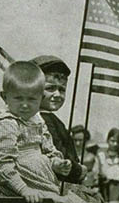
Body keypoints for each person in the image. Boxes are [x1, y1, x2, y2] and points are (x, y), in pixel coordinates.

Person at [0, 61, 110, 203]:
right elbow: (2, 164)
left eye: (32, 100)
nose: (25, 105)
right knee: (68, 202)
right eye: (18, 98)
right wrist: (24, 189)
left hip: (42, 177)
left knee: (79, 202)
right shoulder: (5, 123)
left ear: (39, 98)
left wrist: (57, 163)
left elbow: (49, 149)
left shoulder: (37, 121)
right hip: (17, 180)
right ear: (4, 97)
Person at [29, 55, 85, 184]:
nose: (57, 95)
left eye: (62, 89)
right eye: (50, 88)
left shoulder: (51, 119)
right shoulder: (41, 120)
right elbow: (59, 155)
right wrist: (80, 171)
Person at [70, 124, 100, 193]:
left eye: (80, 140)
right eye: (75, 140)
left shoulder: (92, 157)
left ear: (86, 140)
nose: (77, 143)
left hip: (88, 190)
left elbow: (96, 176)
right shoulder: (68, 156)